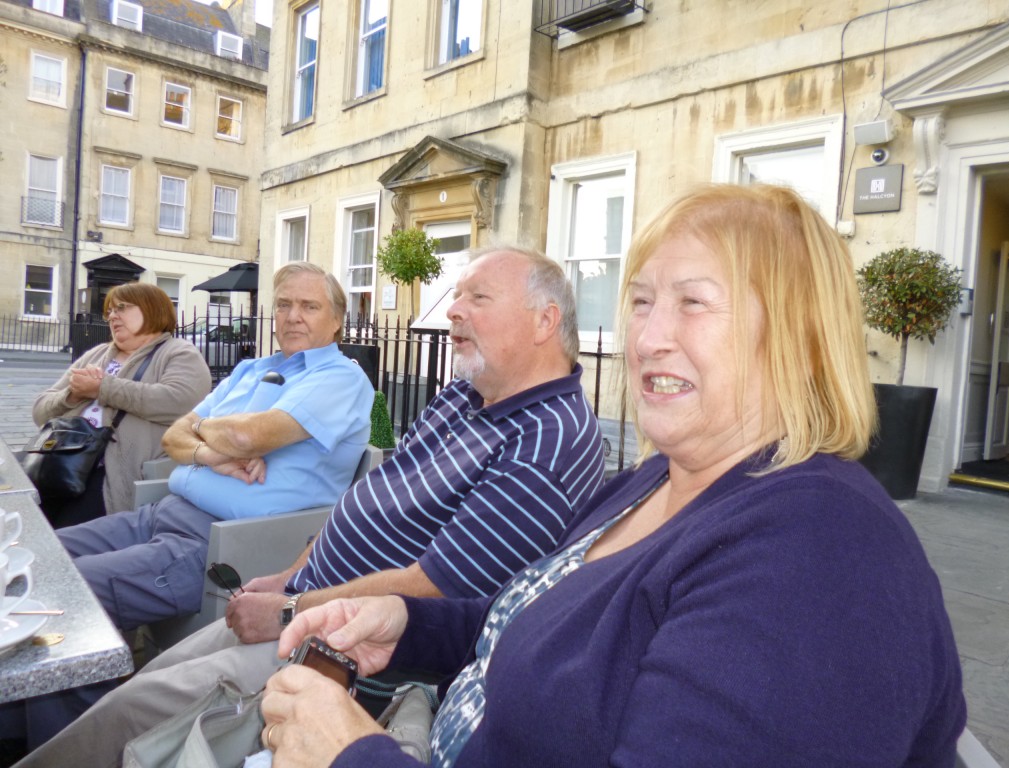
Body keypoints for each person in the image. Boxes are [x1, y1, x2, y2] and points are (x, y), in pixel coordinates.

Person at [261, 185, 967, 768]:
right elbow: (541, 622)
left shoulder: (818, 556)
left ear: (799, 335)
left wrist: (350, 755)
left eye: (693, 302)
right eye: (641, 302)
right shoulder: (657, 478)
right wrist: (408, 625)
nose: (648, 338)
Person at [14, 246, 607, 768]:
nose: (451, 310)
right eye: (456, 295)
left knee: (125, 715)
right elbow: (364, 501)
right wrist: (288, 576)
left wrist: (289, 607)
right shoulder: (462, 396)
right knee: (134, 682)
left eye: (477, 297)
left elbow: (437, 587)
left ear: (544, 321)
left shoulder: (548, 439)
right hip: (295, 596)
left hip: (346, 651)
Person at [1, 261, 374, 755]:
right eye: (284, 304)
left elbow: (246, 436)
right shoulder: (252, 368)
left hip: (217, 541)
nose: (292, 316)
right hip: (162, 511)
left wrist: (220, 434)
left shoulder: (339, 379)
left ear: (338, 320)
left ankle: (65, 751)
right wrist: (213, 453)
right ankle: (19, 724)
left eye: (309, 306)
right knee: (33, 559)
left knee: (65, 596)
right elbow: (175, 435)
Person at [31, 282, 211, 527]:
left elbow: (179, 400)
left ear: (152, 309)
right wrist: (72, 395)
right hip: (61, 464)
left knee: (65, 537)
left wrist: (102, 388)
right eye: (110, 311)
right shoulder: (96, 354)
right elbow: (40, 411)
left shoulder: (179, 352)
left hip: (111, 475)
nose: (113, 316)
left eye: (122, 308)